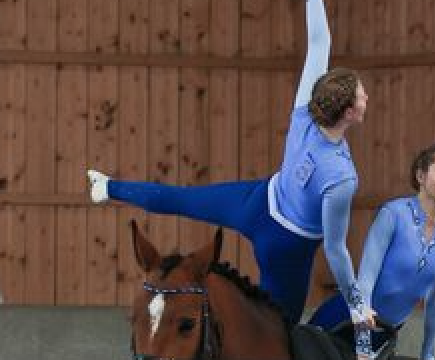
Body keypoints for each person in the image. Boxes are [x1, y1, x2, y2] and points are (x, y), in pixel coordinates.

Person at [86, 0, 371, 330]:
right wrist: (356, 304)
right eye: (362, 96)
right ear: (349, 113)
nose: (366, 98)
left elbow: (320, 43)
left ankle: (107, 187)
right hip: (287, 245)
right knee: (279, 327)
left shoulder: (306, 110)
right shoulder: (341, 178)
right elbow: (335, 250)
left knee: (182, 198)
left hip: (257, 201)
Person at [308, 142, 435, 360]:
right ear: (421, 175)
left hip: (385, 333)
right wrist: (363, 347)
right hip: (342, 319)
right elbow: (365, 282)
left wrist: (429, 357)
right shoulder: (392, 214)